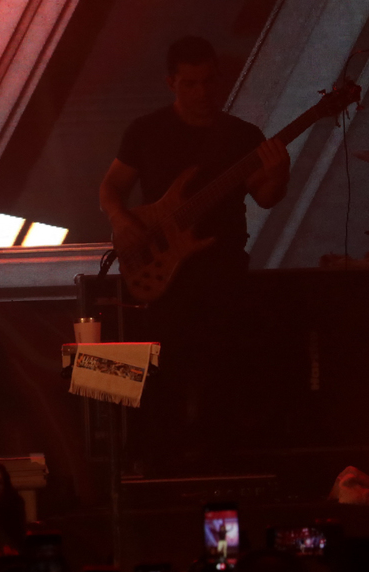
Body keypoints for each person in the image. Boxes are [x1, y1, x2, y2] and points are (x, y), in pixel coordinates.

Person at [98, 36, 290, 471]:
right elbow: (111, 188)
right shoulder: (145, 131)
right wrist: (122, 221)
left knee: (224, 363)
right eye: (190, 83)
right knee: (163, 365)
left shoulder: (242, 136)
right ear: (172, 82)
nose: (202, 92)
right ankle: (158, 459)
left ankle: (217, 459)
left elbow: (266, 196)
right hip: (164, 269)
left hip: (222, 267)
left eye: (208, 82)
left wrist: (280, 173)